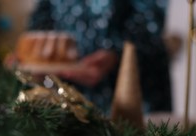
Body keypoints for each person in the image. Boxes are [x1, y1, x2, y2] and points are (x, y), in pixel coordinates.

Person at [23, 0, 172, 113]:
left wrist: (116, 55)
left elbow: (150, 25)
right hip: (69, 96)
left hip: (133, 93)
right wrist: (35, 56)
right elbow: (43, 18)